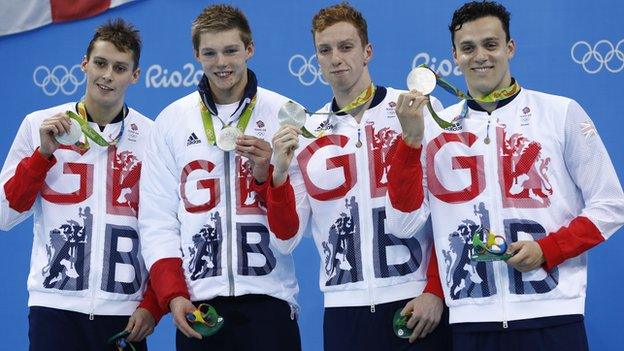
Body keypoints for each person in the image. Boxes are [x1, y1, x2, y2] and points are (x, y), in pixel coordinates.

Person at [384, 1, 624, 350]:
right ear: (454, 56)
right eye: (468, 48)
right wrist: (410, 141)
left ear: (510, 47)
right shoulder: (434, 130)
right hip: (471, 320)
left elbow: (612, 205)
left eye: (490, 44)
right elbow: (403, 225)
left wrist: (547, 249)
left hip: (553, 313)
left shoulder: (560, 113)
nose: (480, 56)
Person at [264, 3, 451, 350]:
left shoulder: (416, 110)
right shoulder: (307, 132)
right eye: (325, 50)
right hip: (343, 308)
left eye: (346, 47)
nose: (336, 58)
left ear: (367, 52)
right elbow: (285, 240)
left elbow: (448, 215)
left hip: (415, 300)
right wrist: (277, 175)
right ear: (316, 59)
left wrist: (436, 291)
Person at [138, 4, 301, 351]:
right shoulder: (171, 121)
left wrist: (270, 176)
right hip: (200, 306)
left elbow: (290, 234)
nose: (221, 63)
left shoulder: (284, 114)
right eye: (210, 53)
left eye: (231, 50)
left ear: (249, 49)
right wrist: (173, 295)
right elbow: (158, 221)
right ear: (196, 54)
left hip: (269, 300)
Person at [0, 19, 164, 350]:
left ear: (135, 75)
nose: (107, 75)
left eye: (120, 68)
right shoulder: (38, 125)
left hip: (124, 315)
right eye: (100, 63)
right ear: (84, 63)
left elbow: (165, 229)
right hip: (54, 309)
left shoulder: (153, 137)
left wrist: (152, 304)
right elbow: (5, 214)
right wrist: (43, 154)